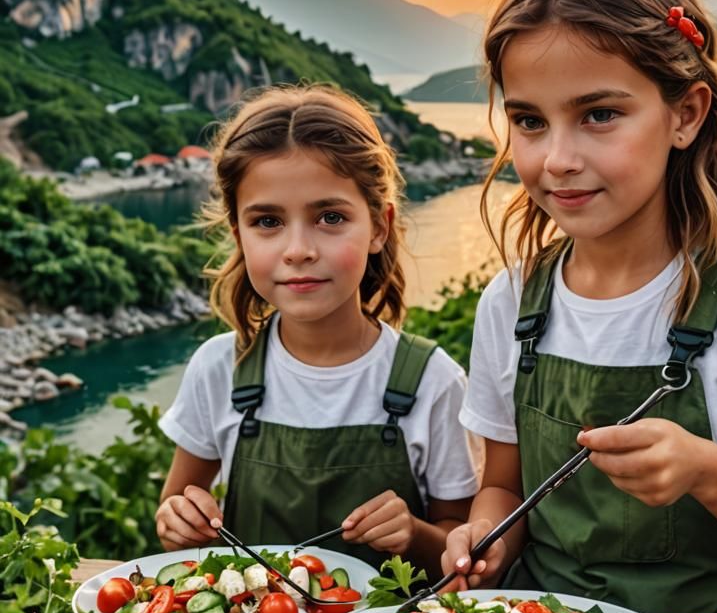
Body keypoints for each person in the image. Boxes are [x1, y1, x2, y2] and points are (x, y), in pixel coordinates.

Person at [441, 0, 717, 613]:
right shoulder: (511, 302)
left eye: (599, 115)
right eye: (529, 121)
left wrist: (710, 474)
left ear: (686, 114)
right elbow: (504, 490)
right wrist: (482, 539)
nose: (558, 158)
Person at [155, 85, 479, 575]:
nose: (298, 249)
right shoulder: (219, 369)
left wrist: (412, 533)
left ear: (378, 226)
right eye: (267, 221)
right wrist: (179, 520)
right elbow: (176, 510)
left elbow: (459, 549)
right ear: (238, 232)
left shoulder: (434, 381)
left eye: (330, 217)